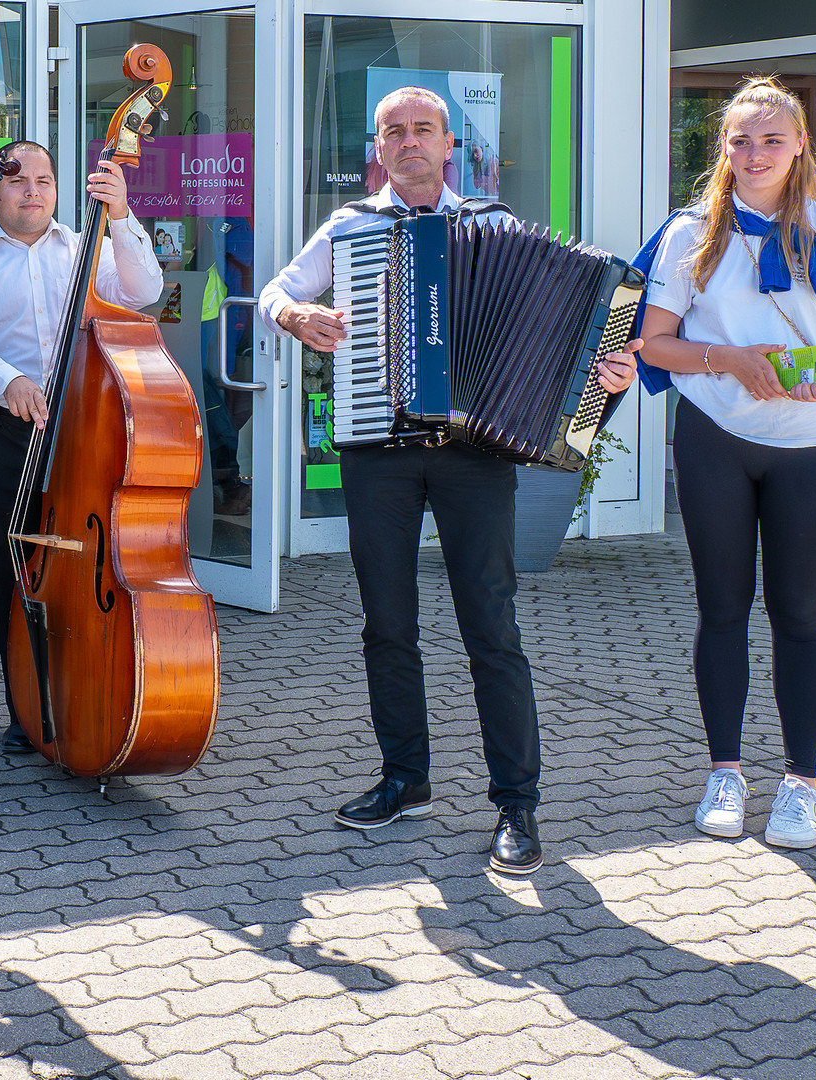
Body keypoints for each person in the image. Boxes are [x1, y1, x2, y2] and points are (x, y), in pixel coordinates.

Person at [257, 86, 638, 876]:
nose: (406, 142)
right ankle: (405, 779)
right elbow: (276, 292)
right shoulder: (350, 226)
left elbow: (563, 343)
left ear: (446, 144)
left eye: (421, 129)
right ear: (376, 148)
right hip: (377, 446)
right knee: (386, 624)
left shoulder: (492, 226)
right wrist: (297, 318)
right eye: (391, 131)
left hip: (473, 454)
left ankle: (516, 806)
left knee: (489, 627)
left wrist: (607, 376)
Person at [630, 77, 816, 850]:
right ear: (721, 148)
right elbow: (651, 343)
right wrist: (726, 358)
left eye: (770, 140)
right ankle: (724, 772)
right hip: (714, 437)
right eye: (738, 140)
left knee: (798, 615)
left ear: (798, 148)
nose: (753, 154)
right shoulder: (690, 232)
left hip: (812, 447)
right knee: (720, 609)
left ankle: (800, 783)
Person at [0, 139, 164, 753]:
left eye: (45, 179)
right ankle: (26, 707)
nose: (32, 189)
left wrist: (123, 215)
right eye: (17, 180)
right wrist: (6, 379)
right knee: (15, 572)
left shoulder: (89, 251)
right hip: (4, 432)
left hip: (84, 429)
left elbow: (144, 292)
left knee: (92, 563)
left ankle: (99, 689)